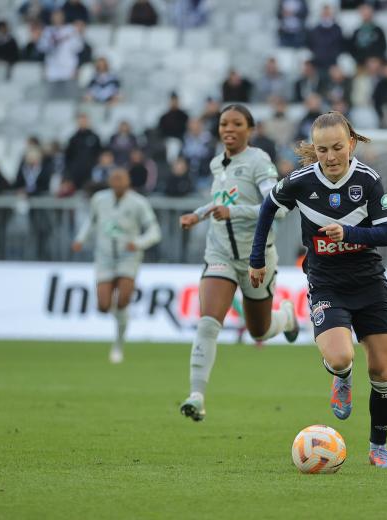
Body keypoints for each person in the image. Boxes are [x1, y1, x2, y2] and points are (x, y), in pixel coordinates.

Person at [248, 111, 387, 468]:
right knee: (340, 357)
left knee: (382, 371)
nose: (330, 157)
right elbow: (268, 207)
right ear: (313, 150)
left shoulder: (368, 179)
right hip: (326, 281)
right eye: (322, 150)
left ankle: (379, 447)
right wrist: (257, 258)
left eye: (336, 148)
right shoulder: (301, 181)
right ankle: (342, 379)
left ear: (350, 143)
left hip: (369, 282)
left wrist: (350, 233)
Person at [177, 104, 299, 422]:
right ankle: (196, 396)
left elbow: (278, 208)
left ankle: (285, 317)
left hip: (256, 258)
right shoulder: (218, 163)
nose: (228, 129)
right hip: (219, 255)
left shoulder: (259, 162)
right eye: (223, 124)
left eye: (236, 124)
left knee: (259, 331)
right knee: (207, 322)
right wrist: (200, 214)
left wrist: (235, 213)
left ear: (250, 129)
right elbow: (222, 199)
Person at [72, 168, 162, 363]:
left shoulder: (139, 203)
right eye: (114, 179)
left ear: (128, 182)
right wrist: (81, 239)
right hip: (104, 256)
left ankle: (118, 343)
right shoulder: (99, 199)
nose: (118, 182)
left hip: (128, 256)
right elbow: (91, 221)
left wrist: (138, 243)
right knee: (103, 306)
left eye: (121, 179)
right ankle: (122, 320)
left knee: (122, 300)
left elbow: (155, 231)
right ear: (110, 182)